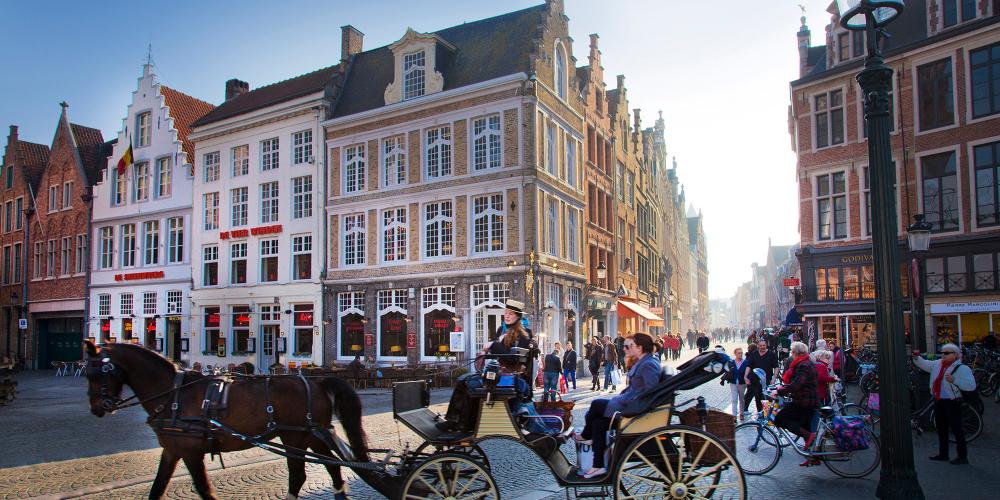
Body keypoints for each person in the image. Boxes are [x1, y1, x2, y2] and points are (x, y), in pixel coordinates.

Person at [441, 299, 535, 432]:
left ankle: (460, 423)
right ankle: (462, 421)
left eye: (511, 314)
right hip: (498, 375)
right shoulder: (501, 330)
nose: (507, 316)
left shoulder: (524, 335)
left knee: (468, 383)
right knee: (464, 379)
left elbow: (514, 358)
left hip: (511, 379)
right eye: (506, 312)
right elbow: (499, 353)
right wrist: (485, 353)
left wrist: (492, 345)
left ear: (518, 316)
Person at [577, 333, 661, 478]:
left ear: (640, 347)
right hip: (627, 402)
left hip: (632, 408)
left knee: (596, 404)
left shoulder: (648, 364)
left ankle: (585, 435)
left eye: (630, 346)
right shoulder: (644, 361)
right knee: (598, 423)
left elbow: (650, 392)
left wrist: (628, 400)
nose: (627, 349)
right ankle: (598, 465)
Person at [912, 344, 976, 465]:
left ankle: (962, 456)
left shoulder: (962, 368)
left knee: (957, 428)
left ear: (955, 355)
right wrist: (917, 358)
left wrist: (955, 380)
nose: (943, 355)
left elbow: (971, 385)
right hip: (939, 399)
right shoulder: (938, 364)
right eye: (943, 352)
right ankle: (943, 453)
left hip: (952, 401)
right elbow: (926, 364)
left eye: (947, 353)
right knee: (941, 428)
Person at [773, 342, 821, 466]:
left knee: (779, 419)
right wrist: (783, 388)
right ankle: (813, 457)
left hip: (805, 402)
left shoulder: (803, 365)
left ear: (796, 353)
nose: (791, 354)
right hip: (808, 401)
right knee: (804, 425)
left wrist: (780, 390)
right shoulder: (806, 363)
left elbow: (797, 384)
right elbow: (797, 383)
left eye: (792, 352)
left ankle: (809, 436)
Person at [744, 339, 779, 416]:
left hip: (767, 380)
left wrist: (774, 378)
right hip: (755, 380)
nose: (762, 347)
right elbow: (749, 366)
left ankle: (766, 415)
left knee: (766, 398)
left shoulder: (771, 354)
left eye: (764, 345)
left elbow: (776, 367)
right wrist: (745, 376)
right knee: (757, 398)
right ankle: (760, 415)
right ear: (757, 346)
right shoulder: (754, 354)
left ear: (766, 346)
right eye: (760, 345)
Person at [722, 346, 748, 421]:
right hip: (733, 383)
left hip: (742, 383)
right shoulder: (731, 362)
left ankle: (741, 413)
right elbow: (726, 370)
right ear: (735, 354)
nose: (740, 354)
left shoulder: (745, 362)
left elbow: (748, 372)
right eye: (739, 353)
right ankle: (734, 416)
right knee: (734, 399)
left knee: (742, 399)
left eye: (741, 353)